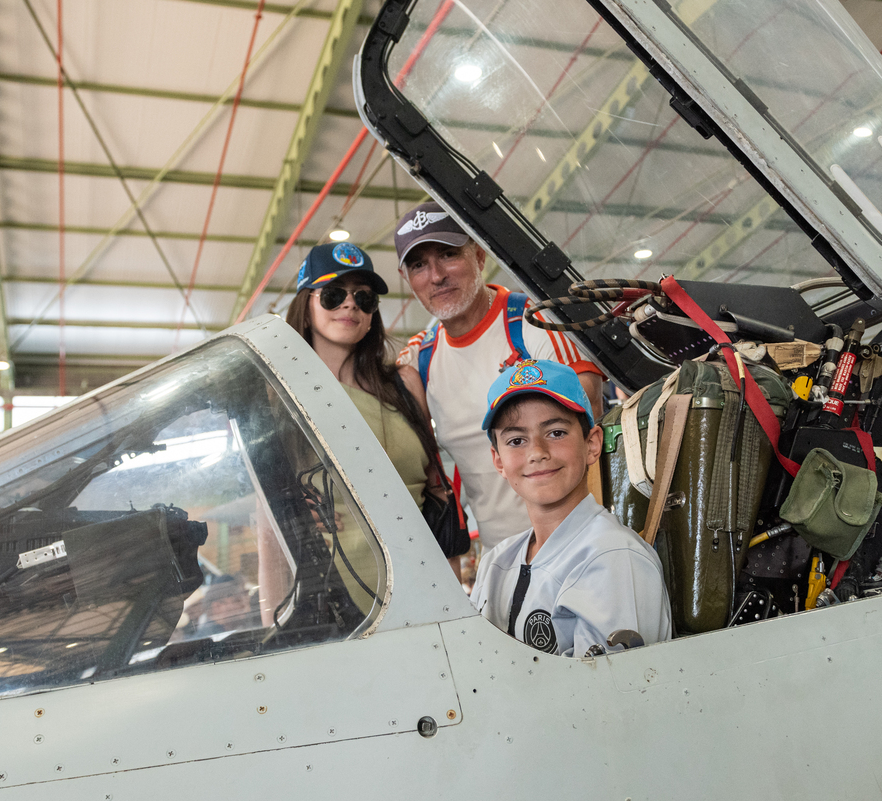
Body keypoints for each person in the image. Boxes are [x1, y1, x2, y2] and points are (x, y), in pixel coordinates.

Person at [257, 241, 457, 625]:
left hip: (423, 586)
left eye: (363, 299)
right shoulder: (278, 399)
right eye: (333, 295)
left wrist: (453, 598)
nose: (350, 305)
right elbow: (270, 528)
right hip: (335, 605)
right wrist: (274, 630)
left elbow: (437, 495)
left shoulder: (404, 383)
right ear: (306, 304)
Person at [394, 202, 605, 552]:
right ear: (407, 280)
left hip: (579, 546)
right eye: (419, 265)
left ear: (478, 255)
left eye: (448, 254)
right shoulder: (419, 359)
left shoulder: (537, 322)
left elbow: (590, 425)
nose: (436, 275)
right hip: (500, 560)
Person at [471, 359, 671, 656]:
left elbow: (607, 697)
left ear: (592, 444)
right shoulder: (496, 564)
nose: (537, 452)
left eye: (556, 433)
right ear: (498, 460)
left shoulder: (614, 558)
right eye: (516, 440)